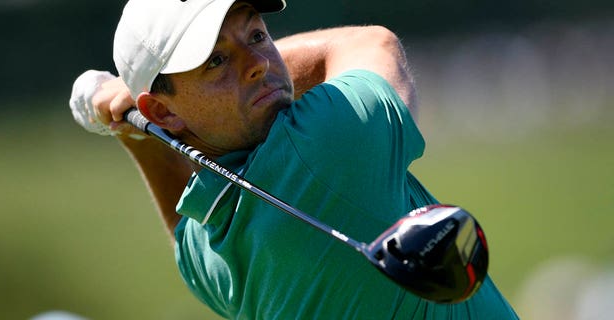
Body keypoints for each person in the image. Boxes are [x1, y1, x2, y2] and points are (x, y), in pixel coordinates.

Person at [69, 0, 520, 318]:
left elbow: (187, 232)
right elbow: (371, 43)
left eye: (257, 34)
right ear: (163, 111)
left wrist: (135, 132)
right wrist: (132, 108)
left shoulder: (211, 254)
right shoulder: (328, 142)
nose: (258, 63)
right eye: (216, 60)